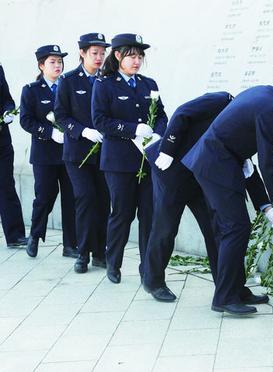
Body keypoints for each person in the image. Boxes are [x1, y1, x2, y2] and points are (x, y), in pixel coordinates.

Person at [183, 64, 273, 315]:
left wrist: (265, 205)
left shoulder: (263, 94)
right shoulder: (270, 108)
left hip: (219, 163)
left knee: (235, 228)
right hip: (216, 165)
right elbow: (267, 160)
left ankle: (236, 290)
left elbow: (247, 158)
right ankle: (225, 297)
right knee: (235, 228)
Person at [142, 91, 273, 302]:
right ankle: (153, 281)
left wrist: (265, 206)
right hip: (171, 170)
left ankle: (231, 289)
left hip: (203, 178)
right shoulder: (222, 100)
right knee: (166, 228)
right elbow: (182, 113)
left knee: (218, 232)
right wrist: (168, 149)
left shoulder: (244, 124)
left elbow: (249, 168)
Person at [92, 33, 167, 284]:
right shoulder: (104, 85)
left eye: (140, 56)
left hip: (147, 160)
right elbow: (100, 120)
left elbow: (162, 116)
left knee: (149, 214)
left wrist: (157, 133)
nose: (137, 61)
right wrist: (132, 129)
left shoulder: (149, 84)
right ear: (117, 56)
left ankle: (148, 268)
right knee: (122, 213)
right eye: (131, 56)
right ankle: (113, 262)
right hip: (119, 161)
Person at [54, 33, 111, 273]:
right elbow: (60, 114)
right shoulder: (68, 80)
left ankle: (100, 251)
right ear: (82, 53)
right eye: (94, 53)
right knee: (85, 198)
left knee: (103, 201)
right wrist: (82, 131)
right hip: (77, 154)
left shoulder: (108, 80)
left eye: (102, 53)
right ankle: (83, 252)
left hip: (104, 153)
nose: (99, 57)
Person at [20, 45, 77, 258]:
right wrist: (48, 132)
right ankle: (35, 235)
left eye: (60, 61)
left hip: (69, 153)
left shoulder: (69, 86)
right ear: (41, 65)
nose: (58, 65)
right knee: (44, 196)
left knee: (72, 198)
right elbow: (26, 120)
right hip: (44, 154)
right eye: (52, 62)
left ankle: (70, 244)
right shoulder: (31, 90)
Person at [0, 64, 27, 249]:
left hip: (2, 141)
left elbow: (6, 100)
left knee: (6, 185)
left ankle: (15, 235)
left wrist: (7, 111)